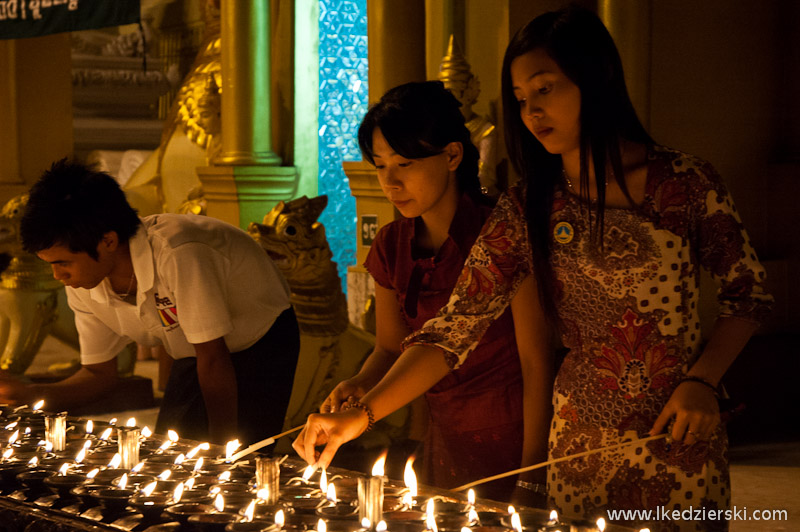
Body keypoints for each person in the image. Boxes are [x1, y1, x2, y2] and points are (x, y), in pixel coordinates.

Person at [295, 7, 772, 530]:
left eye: (545, 90)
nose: (531, 112)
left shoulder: (684, 183)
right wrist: (359, 417)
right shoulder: (528, 209)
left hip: (676, 428)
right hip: (577, 446)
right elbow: (452, 330)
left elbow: (747, 295)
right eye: (521, 99)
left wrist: (703, 381)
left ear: (594, 80)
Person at [309, 81, 554, 503]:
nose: (390, 182)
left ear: (453, 155)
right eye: (380, 165)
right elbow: (389, 348)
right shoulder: (391, 244)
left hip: (516, 428)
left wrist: (534, 471)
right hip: (444, 429)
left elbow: (536, 362)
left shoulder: (500, 234)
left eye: (405, 164)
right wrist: (360, 386)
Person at [3, 159, 300, 446]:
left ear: (107, 241)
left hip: (261, 338)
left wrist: (222, 453)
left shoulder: (178, 253)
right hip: (195, 352)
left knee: (239, 455)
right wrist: (27, 394)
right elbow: (100, 374)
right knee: (172, 451)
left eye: (63, 263)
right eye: (51, 265)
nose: (58, 276)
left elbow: (213, 358)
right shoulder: (84, 279)